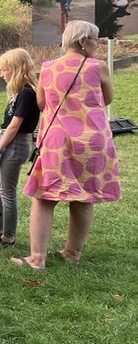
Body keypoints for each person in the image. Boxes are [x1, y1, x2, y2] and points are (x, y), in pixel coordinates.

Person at [13, 21, 120, 269]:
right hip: (93, 141)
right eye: (96, 39)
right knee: (84, 198)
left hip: (57, 141)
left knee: (44, 196)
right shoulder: (98, 67)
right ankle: (72, 253)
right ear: (83, 41)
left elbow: (41, 104)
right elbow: (107, 99)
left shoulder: (48, 68)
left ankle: (37, 258)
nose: (98, 43)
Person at [0, 48, 40, 248]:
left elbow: (15, 126)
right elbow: (6, 125)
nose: (2, 74)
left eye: (5, 69)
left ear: (15, 69)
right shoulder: (18, 93)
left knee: (7, 191)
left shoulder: (27, 93)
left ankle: (8, 236)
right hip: (7, 141)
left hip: (16, 145)